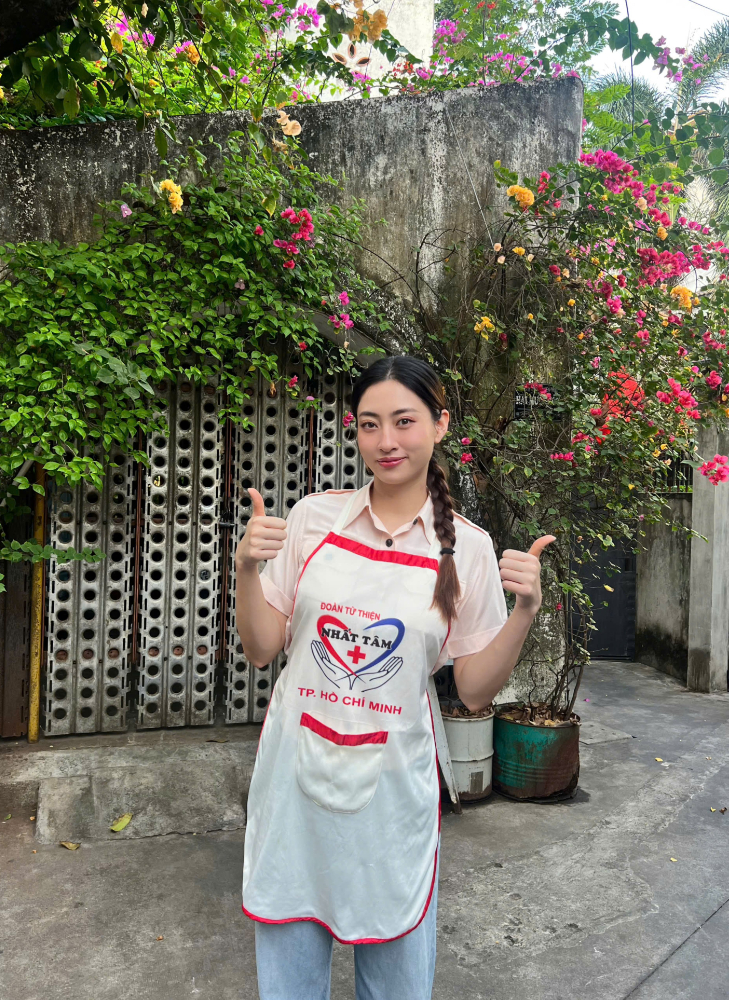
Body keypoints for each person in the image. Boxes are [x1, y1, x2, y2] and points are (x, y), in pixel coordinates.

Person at [235, 356, 555, 1000]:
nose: (386, 441)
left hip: (392, 791)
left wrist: (524, 612)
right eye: (369, 424)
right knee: (289, 973)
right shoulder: (312, 519)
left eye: (405, 421)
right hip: (296, 778)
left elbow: (474, 690)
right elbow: (262, 648)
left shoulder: (467, 548)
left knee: (396, 981)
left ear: (440, 424)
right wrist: (245, 568)